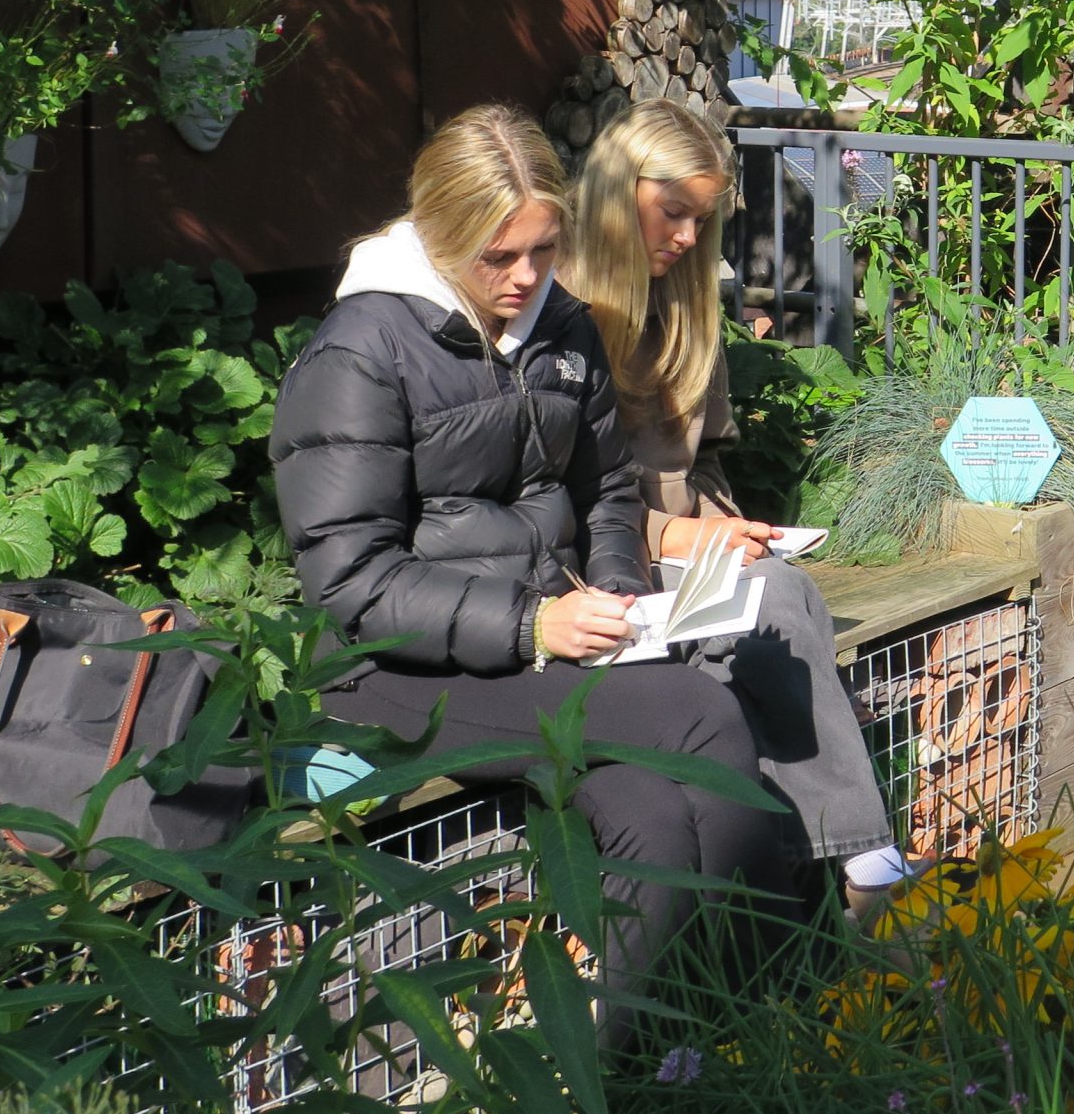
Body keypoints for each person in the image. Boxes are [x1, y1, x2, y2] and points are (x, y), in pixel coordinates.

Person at [270, 103, 791, 1024]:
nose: (524, 278)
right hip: (394, 674)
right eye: (497, 258)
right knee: (703, 714)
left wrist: (626, 604)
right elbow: (347, 582)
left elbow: (609, 498)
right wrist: (530, 623)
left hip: (546, 650)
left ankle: (628, 1074)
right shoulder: (362, 351)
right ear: (438, 234)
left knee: (653, 814)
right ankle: (767, 1017)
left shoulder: (565, 328)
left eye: (543, 251)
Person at [568, 98, 915, 915]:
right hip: (600, 568)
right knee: (781, 606)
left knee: (773, 602)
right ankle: (870, 870)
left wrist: (725, 523)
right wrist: (677, 530)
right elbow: (564, 495)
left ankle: (841, 884)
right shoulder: (559, 316)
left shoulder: (685, 306)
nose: (688, 238)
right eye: (674, 213)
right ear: (619, 192)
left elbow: (705, 463)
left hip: (686, 555)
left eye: (702, 219)